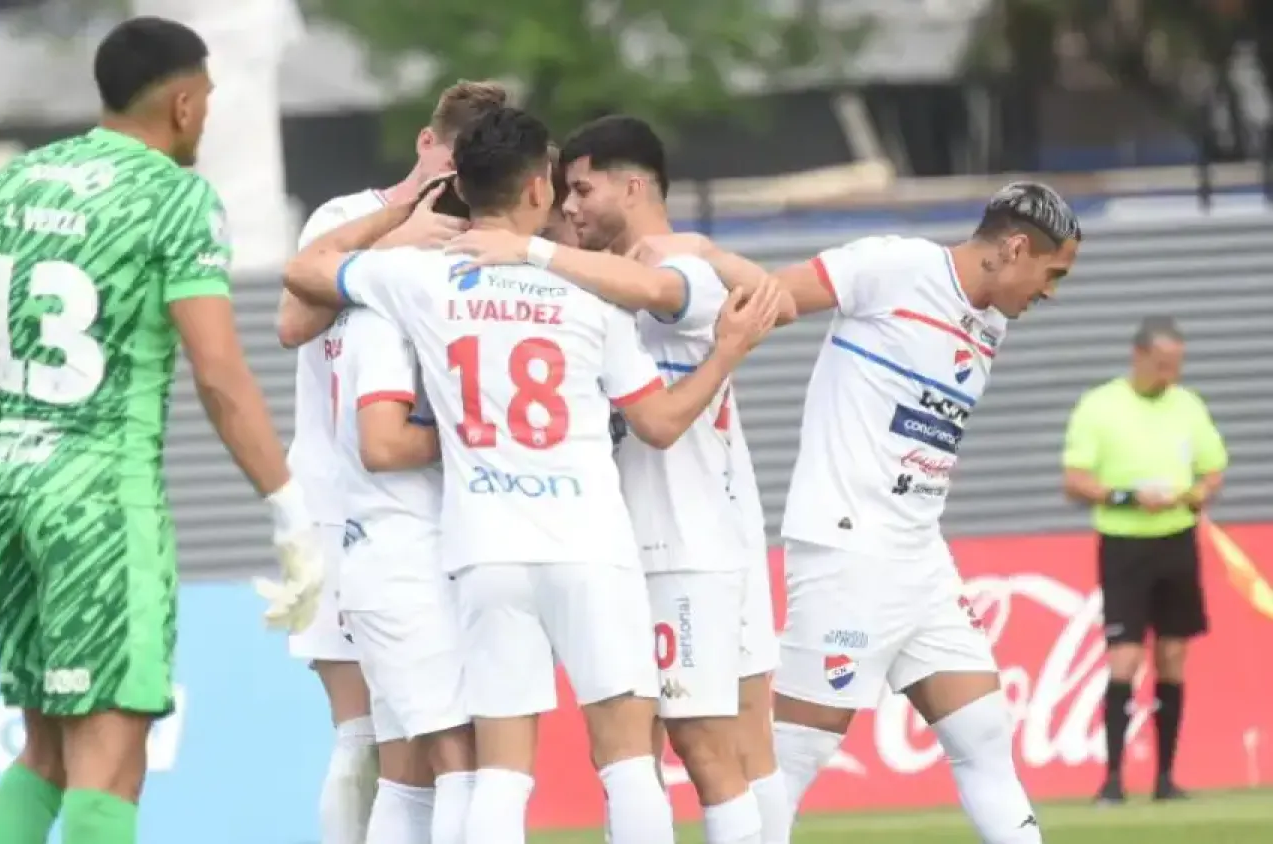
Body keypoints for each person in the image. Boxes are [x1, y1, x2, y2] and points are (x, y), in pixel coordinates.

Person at [282, 106, 785, 844]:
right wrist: (728, 352)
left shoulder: (419, 278)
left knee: (500, 773)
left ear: (461, 186)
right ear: (537, 192)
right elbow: (658, 422)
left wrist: (400, 213)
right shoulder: (589, 293)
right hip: (590, 546)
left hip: (485, 551)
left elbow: (305, 270)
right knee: (627, 762)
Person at [0, 17, 321, 844]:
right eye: (207, 99)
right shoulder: (175, 198)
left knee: (45, 754)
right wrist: (291, 511)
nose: (207, 115)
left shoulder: (17, 182)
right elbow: (218, 372)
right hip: (98, 504)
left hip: (6, 487)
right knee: (109, 766)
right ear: (183, 104)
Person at [637, 182, 1080, 843]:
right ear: (1016, 248)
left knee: (984, 735)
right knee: (793, 755)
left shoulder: (989, 319)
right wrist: (704, 252)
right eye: (1053, 273)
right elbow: (774, 299)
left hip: (920, 555)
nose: (1051, 292)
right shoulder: (895, 266)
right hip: (848, 548)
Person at [445, 113, 793, 844]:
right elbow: (771, 298)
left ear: (632, 187)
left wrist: (528, 248)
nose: (569, 207)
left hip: (680, 540)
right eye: (562, 192)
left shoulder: (676, 266)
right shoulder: (594, 277)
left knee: (702, 747)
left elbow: (671, 292)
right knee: (688, 748)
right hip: (666, 537)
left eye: (582, 190)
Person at [273, 79, 507, 844]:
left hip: (437, 511)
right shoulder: (344, 217)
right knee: (363, 733)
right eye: (451, 161)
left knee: (432, 737)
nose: (455, 182)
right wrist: (393, 238)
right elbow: (291, 323)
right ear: (425, 143)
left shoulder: (480, 237)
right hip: (333, 505)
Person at [1062, 315, 1228, 804]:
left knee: (1173, 656)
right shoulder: (1100, 406)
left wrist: (1194, 494)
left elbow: (1212, 471)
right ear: (1139, 357)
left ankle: (1165, 779)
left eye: (1176, 365)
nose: (1169, 375)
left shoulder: (1188, 405)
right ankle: (1113, 779)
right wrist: (1127, 497)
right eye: (1161, 365)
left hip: (1176, 540)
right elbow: (1075, 480)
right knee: (1126, 656)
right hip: (1125, 544)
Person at [327, 298, 476, 844]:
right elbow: (384, 444)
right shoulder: (384, 324)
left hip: (383, 556)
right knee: (462, 759)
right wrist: (481, 433)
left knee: (405, 773)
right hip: (406, 563)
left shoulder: (364, 318)